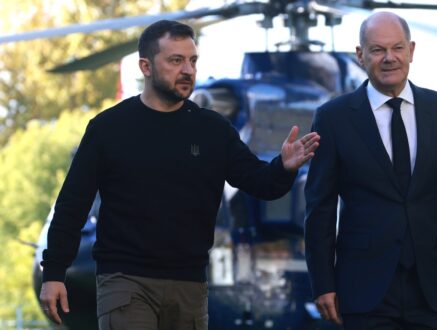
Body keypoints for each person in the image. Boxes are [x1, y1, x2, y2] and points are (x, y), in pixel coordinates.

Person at [38, 20, 320, 330]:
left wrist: (284, 166)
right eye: (176, 60)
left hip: (189, 284)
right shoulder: (108, 128)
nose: (187, 70)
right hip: (126, 281)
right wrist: (54, 273)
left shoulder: (213, 130)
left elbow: (260, 184)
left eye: (193, 60)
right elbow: (72, 205)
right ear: (146, 66)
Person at [304, 11, 437, 329]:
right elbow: (320, 209)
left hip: (433, 288)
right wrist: (323, 282)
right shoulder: (333, 118)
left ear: (411, 50)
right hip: (363, 290)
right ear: (360, 55)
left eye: (397, 48)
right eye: (377, 50)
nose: (389, 58)